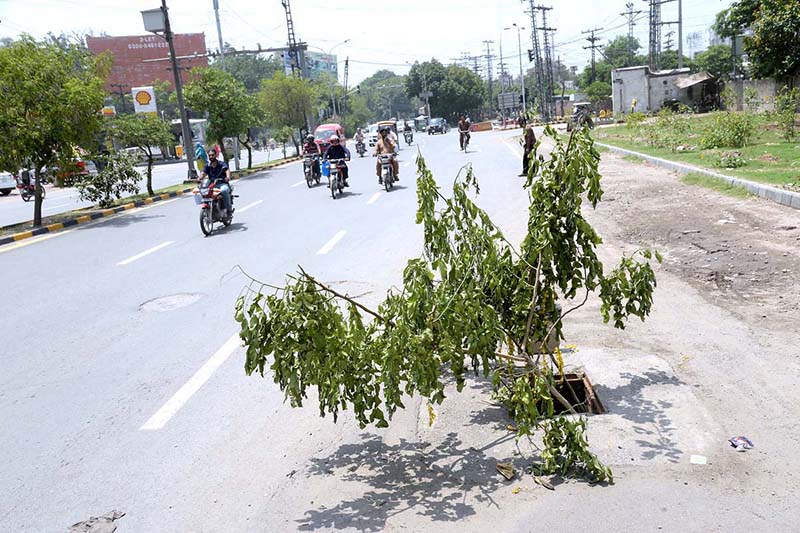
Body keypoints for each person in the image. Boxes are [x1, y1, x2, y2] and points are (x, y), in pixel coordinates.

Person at [200, 148, 233, 216]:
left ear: (216, 155)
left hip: (222, 184)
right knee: (204, 193)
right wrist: (199, 178)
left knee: (224, 190)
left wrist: (228, 177)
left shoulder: (221, 164)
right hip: (212, 185)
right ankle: (211, 208)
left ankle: (229, 209)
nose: (211, 157)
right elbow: (203, 173)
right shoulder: (207, 166)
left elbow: (227, 170)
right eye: (209, 155)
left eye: (212, 155)